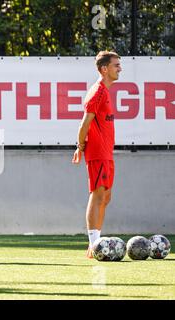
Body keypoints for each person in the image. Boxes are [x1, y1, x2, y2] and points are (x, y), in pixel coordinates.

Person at [72, 51, 122, 258]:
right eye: (116, 65)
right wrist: (80, 147)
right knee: (98, 194)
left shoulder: (105, 92)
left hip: (106, 153)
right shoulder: (98, 91)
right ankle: (94, 245)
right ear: (104, 69)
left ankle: (98, 241)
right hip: (97, 153)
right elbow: (84, 123)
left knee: (106, 197)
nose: (119, 68)